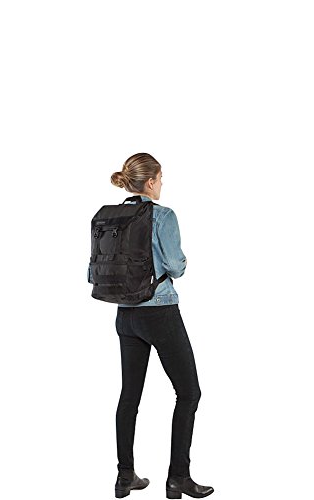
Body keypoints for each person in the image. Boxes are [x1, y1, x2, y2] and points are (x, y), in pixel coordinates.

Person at [110, 153, 214, 498]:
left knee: (129, 395)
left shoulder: (110, 217)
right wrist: (179, 262)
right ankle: (178, 478)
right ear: (151, 181)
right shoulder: (163, 215)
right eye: (161, 179)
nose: (162, 185)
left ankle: (125, 476)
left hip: (125, 315)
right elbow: (176, 266)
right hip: (160, 312)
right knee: (189, 392)